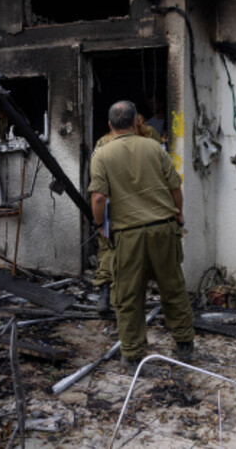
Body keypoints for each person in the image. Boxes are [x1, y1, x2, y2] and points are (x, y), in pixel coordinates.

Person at [89, 100, 194, 370]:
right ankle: (184, 343)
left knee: (128, 295)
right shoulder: (154, 147)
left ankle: (132, 354)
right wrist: (178, 215)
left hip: (128, 234)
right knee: (172, 287)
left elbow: (98, 197)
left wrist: (101, 226)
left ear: (110, 124)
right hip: (163, 229)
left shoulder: (102, 154)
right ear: (136, 121)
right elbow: (175, 187)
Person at [90, 113, 161, 315]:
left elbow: (97, 180)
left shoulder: (104, 142)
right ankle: (131, 298)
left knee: (107, 247)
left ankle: (105, 294)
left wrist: (99, 220)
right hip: (142, 205)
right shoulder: (150, 138)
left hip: (113, 203)